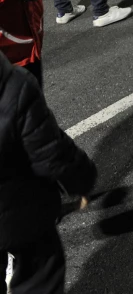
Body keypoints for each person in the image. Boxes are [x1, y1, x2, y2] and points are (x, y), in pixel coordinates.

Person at [0, 50, 97, 294]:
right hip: (23, 215)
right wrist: (83, 181)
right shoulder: (15, 86)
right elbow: (52, 153)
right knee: (41, 275)